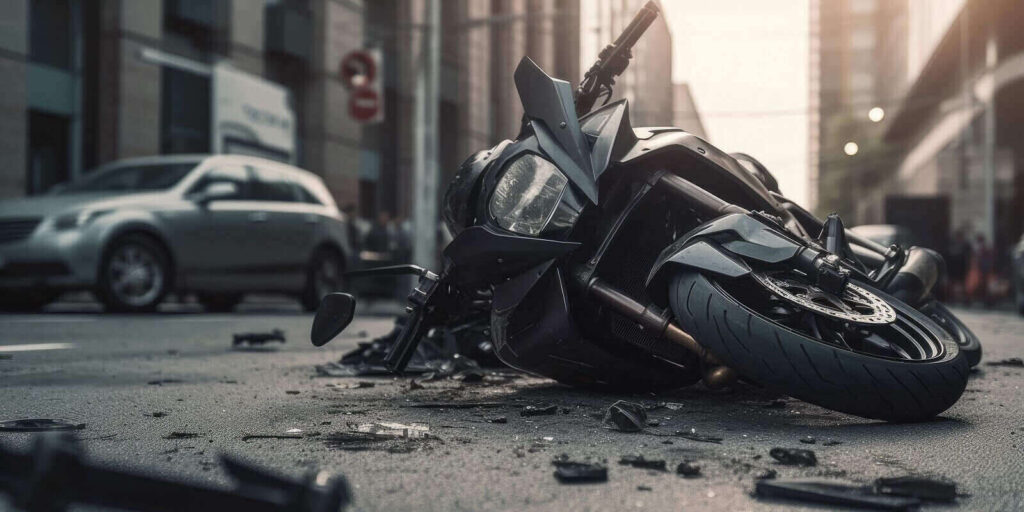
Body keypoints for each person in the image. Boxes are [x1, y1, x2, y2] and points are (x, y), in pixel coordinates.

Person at [946, 229, 971, 303]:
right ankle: (952, 298)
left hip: (962, 267)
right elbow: (949, 257)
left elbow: (968, 256)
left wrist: (968, 267)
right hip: (954, 267)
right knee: (953, 283)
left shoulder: (966, 245)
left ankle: (965, 299)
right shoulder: (952, 245)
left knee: (963, 284)